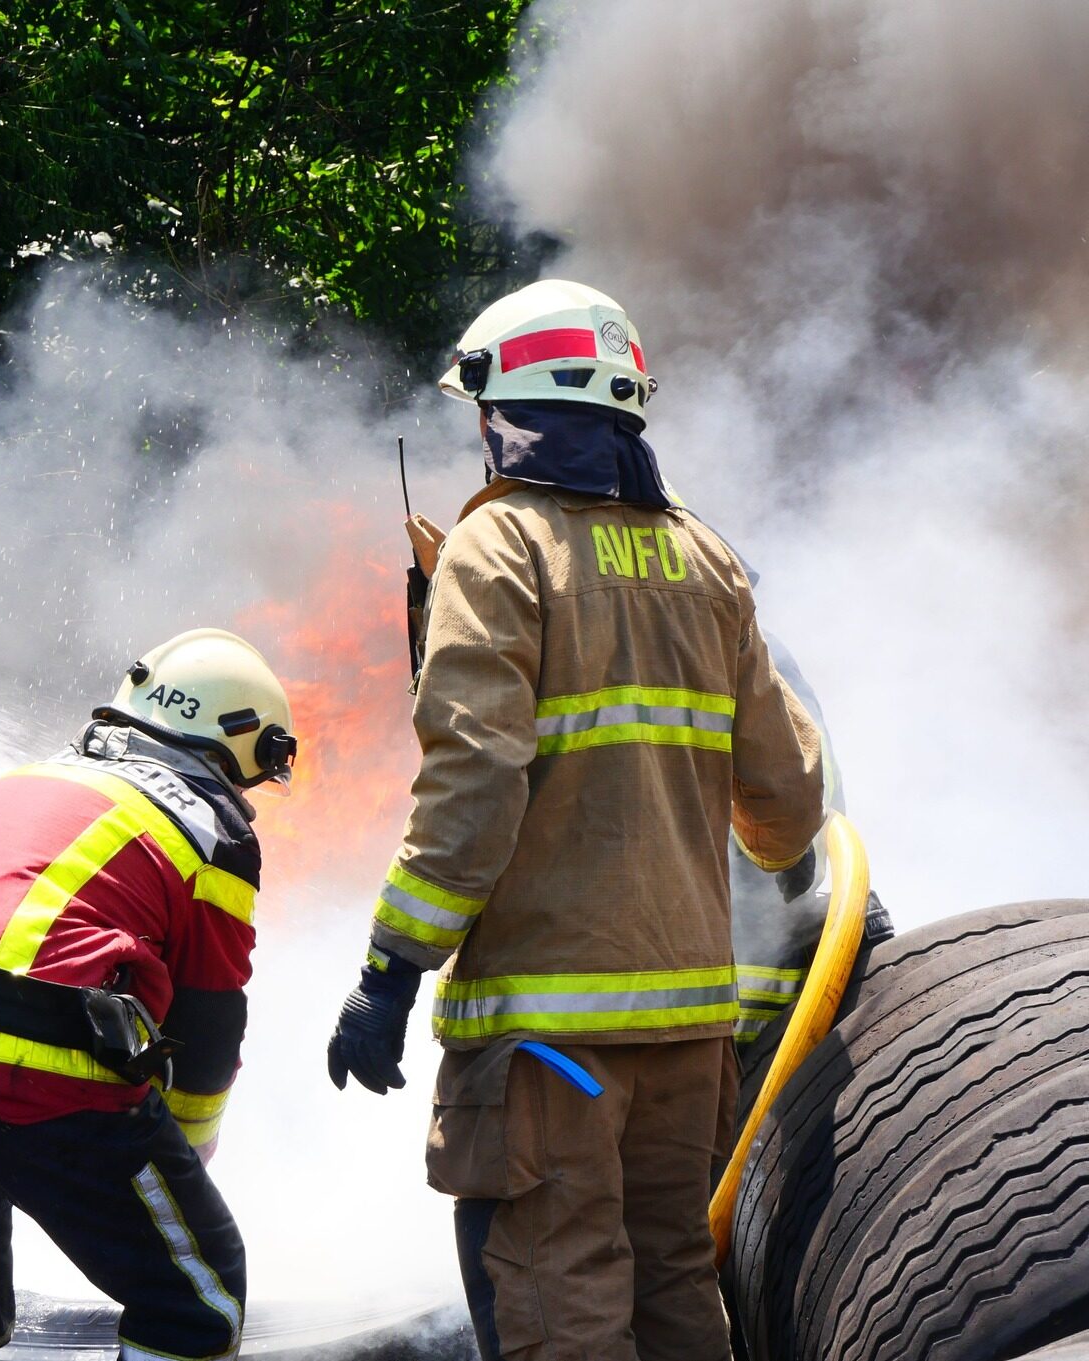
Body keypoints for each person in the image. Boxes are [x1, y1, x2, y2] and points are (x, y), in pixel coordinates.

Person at [323, 280, 825, 1360]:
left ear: (509, 407)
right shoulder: (705, 557)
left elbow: (473, 783)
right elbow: (783, 801)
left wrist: (389, 970)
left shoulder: (499, 549)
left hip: (551, 1044)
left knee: (564, 1303)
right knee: (674, 1289)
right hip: (690, 1037)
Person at [0, 628, 297, 1361]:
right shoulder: (209, 827)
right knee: (198, 1299)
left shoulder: (32, 776)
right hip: (26, 1051)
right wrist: (184, 1160)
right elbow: (210, 1024)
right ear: (241, 746)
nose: (247, 798)